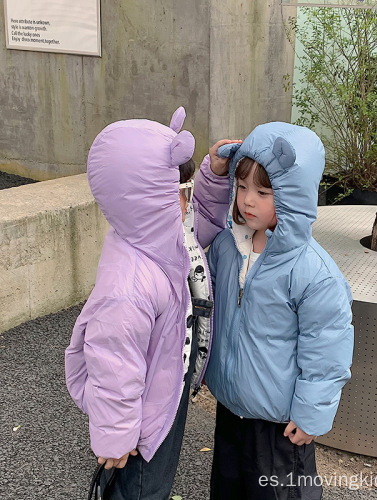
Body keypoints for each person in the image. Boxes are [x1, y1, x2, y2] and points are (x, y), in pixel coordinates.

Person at [64, 107, 236, 500]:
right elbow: (113, 363)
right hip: (139, 430)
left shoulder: (159, 235)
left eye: (185, 190)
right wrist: (116, 436)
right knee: (142, 490)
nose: (183, 201)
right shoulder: (127, 285)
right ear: (145, 197)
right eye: (175, 190)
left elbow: (204, 219)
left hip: (164, 393)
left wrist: (214, 173)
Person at [195, 122, 355, 500]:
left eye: (264, 192)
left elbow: (327, 348)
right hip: (232, 406)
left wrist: (311, 413)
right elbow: (195, 242)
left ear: (293, 197)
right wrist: (213, 178)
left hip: (280, 421)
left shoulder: (312, 273)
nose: (249, 200)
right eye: (242, 186)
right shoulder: (229, 244)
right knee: (229, 487)